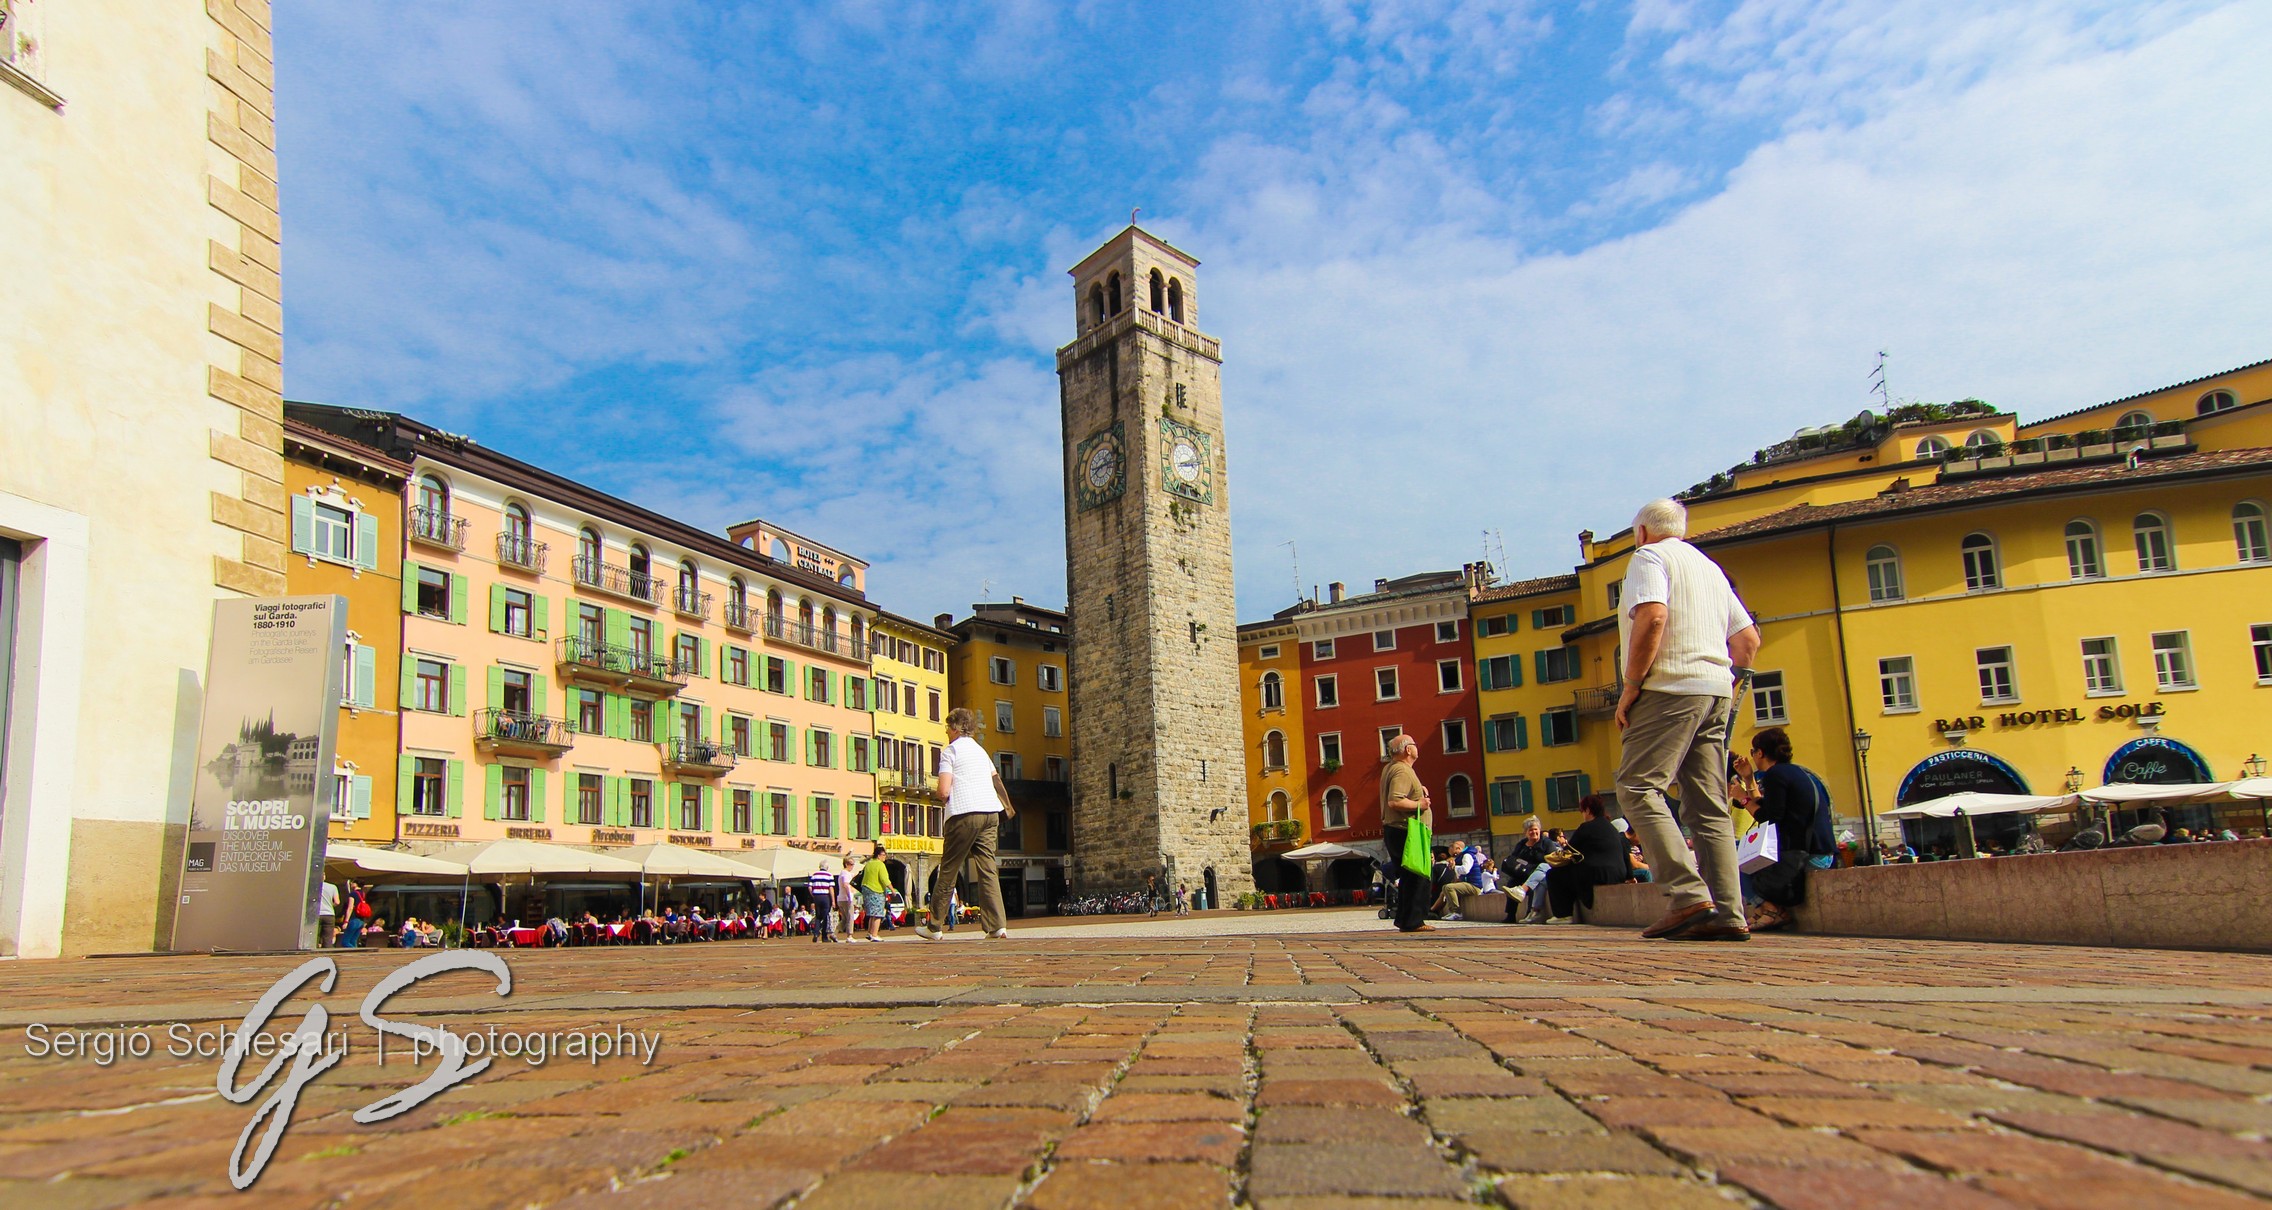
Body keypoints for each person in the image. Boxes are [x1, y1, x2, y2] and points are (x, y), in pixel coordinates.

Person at [1612, 497, 1762, 943]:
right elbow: (1748, 640)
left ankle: (1688, 896)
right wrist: (1724, 678)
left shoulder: (1649, 557)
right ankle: (1730, 912)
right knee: (1709, 805)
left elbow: (1653, 616)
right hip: (1716, 690)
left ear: (1641, 532)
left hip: (1670, 687)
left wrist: (1633, 684)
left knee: (1638, 786)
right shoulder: (1710, 569)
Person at [918, 708, 1013, 941]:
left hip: (963, 813)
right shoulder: (982, 752)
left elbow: (943, 790)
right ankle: (997, 926)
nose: (946, 732)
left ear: (955, 728)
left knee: (949, 868)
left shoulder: (950, 751)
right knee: (988, 869)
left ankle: (934, 927)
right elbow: (995, 780)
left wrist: (941, 795)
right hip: (990, 812)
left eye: (947, 727)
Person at [1735, 727, 1820, 932]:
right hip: (1813, 848)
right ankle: (1766, 911)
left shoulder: (1775, 776)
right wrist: (1748, 779)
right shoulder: (1792, 772)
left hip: (1805, 853)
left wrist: (1742, 798)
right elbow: (1767, 805)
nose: (1752, 756)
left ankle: (1770, 910)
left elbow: (1769, 818)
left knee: (1737, 864)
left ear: (1760, 753)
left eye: (1753, 751)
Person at [1544, 796, 1632, 922]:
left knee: (1554, 875)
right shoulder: (1611, 828)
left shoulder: (1586, 827)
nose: (1582, 814)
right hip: (1618, 873)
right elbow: (1625, 854)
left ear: (1588, 810)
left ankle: (1563, 915)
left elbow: (1570, 851)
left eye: (1582, 811)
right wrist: (1630, 876)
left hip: (1597, 874)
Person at [1379, 734, 1435, 933]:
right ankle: (1414, 921)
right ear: (1407, 750)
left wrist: (1418, 790)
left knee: (1408, 876)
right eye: (1414, 744)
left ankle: (1405, 919)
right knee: (1417, 875)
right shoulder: (1402, 770)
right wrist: (1420, 804)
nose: (1416, 747)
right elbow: (1395, 801)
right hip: (1405, 829)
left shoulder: (1391, 769)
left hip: (1396, 829)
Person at [856, 843, 892, 942]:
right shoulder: (880, 865)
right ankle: (875, 934)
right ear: (879, 855)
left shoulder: (868, 864)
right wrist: (892, 890)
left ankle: (870, 933)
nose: (885, 857)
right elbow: (884, 879)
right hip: (876, 890)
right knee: (878, 913)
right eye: (884, 855)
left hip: (866, 889)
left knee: (872, 913)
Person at [807, 865, 838, 943]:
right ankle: (824, 936)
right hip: (825, 896)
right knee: (825, 917)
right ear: (827, 867)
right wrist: (833, 901)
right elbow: (831, 888)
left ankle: (816, 934)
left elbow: (810, 887)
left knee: (818, 916)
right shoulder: (829, 875)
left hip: (817, 896)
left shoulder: (814, 875)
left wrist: (813, 895)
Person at [317, 879, 342, 948]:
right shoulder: (333, 887)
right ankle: (327, 955)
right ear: (324, 877)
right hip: (329, 914)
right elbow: (337, 902)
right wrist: (331, 905)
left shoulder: (313, 886)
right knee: (327, 938)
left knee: (315, 937)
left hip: (317, 913)